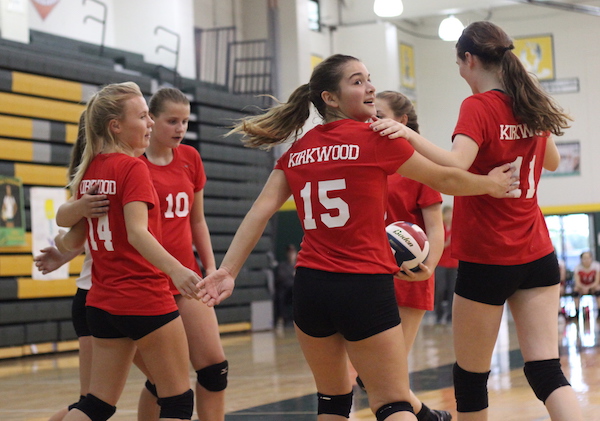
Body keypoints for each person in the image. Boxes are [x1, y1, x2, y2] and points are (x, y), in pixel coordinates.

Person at [195, 54, 516, 421]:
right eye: (357, 81)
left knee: (332, 401)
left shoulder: (297, 150)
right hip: (363, 284)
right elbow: (446, 179)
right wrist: (490, 184)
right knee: (393, 402)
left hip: (311, 287)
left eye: (369, 78)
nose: (370, 87)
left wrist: (228, 270)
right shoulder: (376, 138)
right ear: (330, 98)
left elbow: (259, 212)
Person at [374, 21, 583, 421]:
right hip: (537, 252)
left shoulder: (479, 105)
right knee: (545, 370)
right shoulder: (529, 100)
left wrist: (405, 132)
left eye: (458, 63)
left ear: (469, 60)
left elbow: (455, 163)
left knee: (470, 378)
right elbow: (552, 161)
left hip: (488, 255)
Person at [57, 81, 200, 421]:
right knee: (178, 399)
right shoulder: (133, 167)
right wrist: (178, 270)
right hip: (143, 296)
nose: (150, 123)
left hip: (102, 302)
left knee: (96, 405)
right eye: (143, 116)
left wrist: (58, 250)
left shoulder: (91, 170)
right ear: (116, 126)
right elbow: (137, 234)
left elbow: (74, 238)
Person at [136, 87, 227, 421]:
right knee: (162, 381)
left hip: (187, 278)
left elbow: (197, 220)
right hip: (147, 281)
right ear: (151, 120)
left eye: (185, 121)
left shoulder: (191, 159)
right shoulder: (134, 163)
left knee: (215, 368)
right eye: (171, 120)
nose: (179, 128)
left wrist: (212, 269)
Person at [373, 90, 451, 421]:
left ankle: (426, 416)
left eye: (379, 114)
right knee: (374, 373)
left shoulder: (419, 167)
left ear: (402, 122)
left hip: (410, 274)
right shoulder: (368, 159)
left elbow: (436, 228)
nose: (371, 120)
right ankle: (428, 417)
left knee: (382, 374)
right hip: (371, 273)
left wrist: (428, 267)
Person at [34, 113, 110, 421]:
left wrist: (64, 254)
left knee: (94, 404)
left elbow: (83, 237)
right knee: (92, 404)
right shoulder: (96, 177)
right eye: (143, 116)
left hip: (118, 296)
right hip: (97, 295)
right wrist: (65, 249)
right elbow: (70, 229)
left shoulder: (121, 169)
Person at [434, 205, 458, 324]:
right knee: (440, 289)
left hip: (454, 264)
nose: (450, 216)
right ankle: (438, 314)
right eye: (448, 213)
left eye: (451, 213)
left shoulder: (456, 228)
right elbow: (436, 245)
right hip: (441, 263)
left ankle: (450, 316)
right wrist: (446, 243)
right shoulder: (439, 228)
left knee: (452, 290)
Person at [274, 244, 297, 329]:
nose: (291, 255)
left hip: (295, 290)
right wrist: (292, 275)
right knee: (280, 295)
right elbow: (281, 277)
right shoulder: (282, 266)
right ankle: (282, 319)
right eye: (289, 253)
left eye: (292, 252)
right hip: (285, 290)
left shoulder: (298, 265)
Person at [572, 251, 600, 319]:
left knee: (598, 289)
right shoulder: (577, 268)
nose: (586, 260)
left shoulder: (596, 266)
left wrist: (588, 287)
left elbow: (597, 281)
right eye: (584, 258)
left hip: (592, 286)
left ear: (591, 258)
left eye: (588, 258)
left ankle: (599, 311)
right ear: (581, 259)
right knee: (575, 290)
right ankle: (577, 312)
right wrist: (584, 287)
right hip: (582, 286)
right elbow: (577, 283)